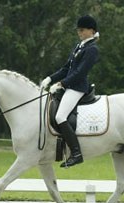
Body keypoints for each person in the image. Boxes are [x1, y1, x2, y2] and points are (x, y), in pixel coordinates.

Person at [41, 15, 100, 168]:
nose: (79, 32)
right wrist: (50, 78)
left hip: (78, 87)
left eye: (82, 30)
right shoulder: (79, 46)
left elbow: (80, 73)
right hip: (69, 86)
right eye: (78, 30)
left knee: (60, 116)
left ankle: (76, 153)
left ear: (91, 31)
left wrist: (61, 83)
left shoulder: (92, 49)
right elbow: (66, 68)